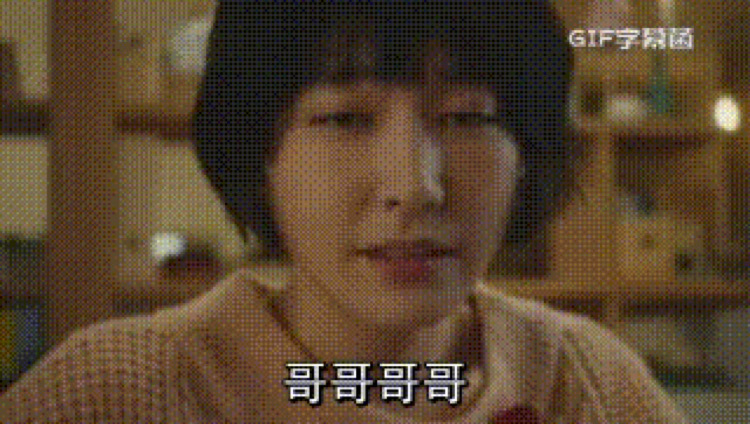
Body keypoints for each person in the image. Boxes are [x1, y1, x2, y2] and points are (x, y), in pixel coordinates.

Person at [0, 1, 688, 422]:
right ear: (260, 153)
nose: (415, 187)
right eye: (345, 118)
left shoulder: (585, 383)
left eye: (466, 118)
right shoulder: (118, 391)